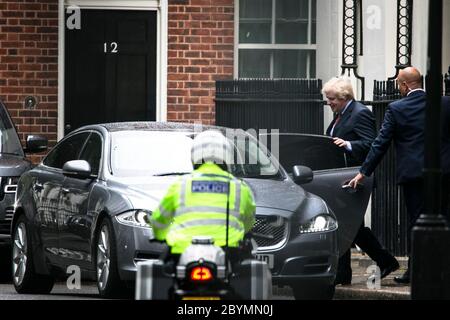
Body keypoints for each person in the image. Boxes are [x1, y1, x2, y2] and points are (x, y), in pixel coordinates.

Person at [348, 66, 429, 284]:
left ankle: (416, 271)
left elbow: (380, 144)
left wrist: (364, 172)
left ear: (404, 85)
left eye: (398, 85)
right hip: (444, 174)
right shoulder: (445, 104)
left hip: (414, 176)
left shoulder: (397, 108)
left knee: (417, 223)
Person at [322, 77, 399, 285]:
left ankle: (385, 260)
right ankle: (346, 272)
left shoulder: (360, 113)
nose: (328, 102)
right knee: (346, 224)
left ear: (343, 97)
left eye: (331, 99)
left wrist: (347, 144)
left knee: (348, 224)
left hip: (356, 177)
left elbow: (371, 144)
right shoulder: (341, 114)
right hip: (341, 177)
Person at [149, 130, 256, 260]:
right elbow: (249, 221)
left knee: (161, 269)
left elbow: (159, 218)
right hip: (228, 250)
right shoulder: (239, 187)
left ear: (195, 155)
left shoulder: (180, 184)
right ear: (227, 156)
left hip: (183, 248)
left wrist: (160, 235)